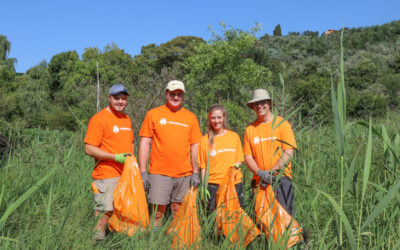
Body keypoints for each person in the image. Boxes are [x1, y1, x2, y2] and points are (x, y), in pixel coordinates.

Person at [138, 80, 202, 228]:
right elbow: (145, 143)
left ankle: (176, 240)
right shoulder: (153, 114)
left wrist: (196, 172)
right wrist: (142, 172)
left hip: (184, 174)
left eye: (179, 94)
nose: (175, 97)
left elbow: (195, 147)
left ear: (183, 96)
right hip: (159, 172)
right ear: (166, 94)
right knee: (158, 211)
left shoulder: (190, 117)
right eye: (172, 94)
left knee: (178, 209)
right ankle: (154, 242)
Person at [84, 84, 134, 240]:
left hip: (125, 175)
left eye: (123, 99)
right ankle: (97, 242)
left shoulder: (126, 119)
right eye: (116, 98)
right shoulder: (99, 119)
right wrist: (115, 157)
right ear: (109, 98)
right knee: (104, 212)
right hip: (106, 175)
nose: (120, 102)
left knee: (121, 212)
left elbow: (130, 144)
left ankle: (116, 241)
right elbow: (89, 149)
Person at [243, 89, 297, 216]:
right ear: (253, 107)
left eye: (262, 102)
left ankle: (292, 236)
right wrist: (260, 173)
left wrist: (272, 172)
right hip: (260, 182)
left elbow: (288, 151)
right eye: (256, 104)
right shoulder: (250, 129)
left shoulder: (282, 123)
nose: (259, 106)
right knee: (264, 220)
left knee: (285, 218)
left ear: (269, 103)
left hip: (281, 179)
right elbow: (248, 156)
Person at [198, 104, 244, 210]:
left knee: (233, 215)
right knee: (215, 218)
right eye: (213, 118)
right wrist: (204, 187)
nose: (216, 121)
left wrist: (234, 167)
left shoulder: (234, 137)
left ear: (224, 117)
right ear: (209, 119)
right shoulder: (204, 140)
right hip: (214, 185)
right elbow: (203, 167)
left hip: (233, 183)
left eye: (219, 117)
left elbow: (240, 159)